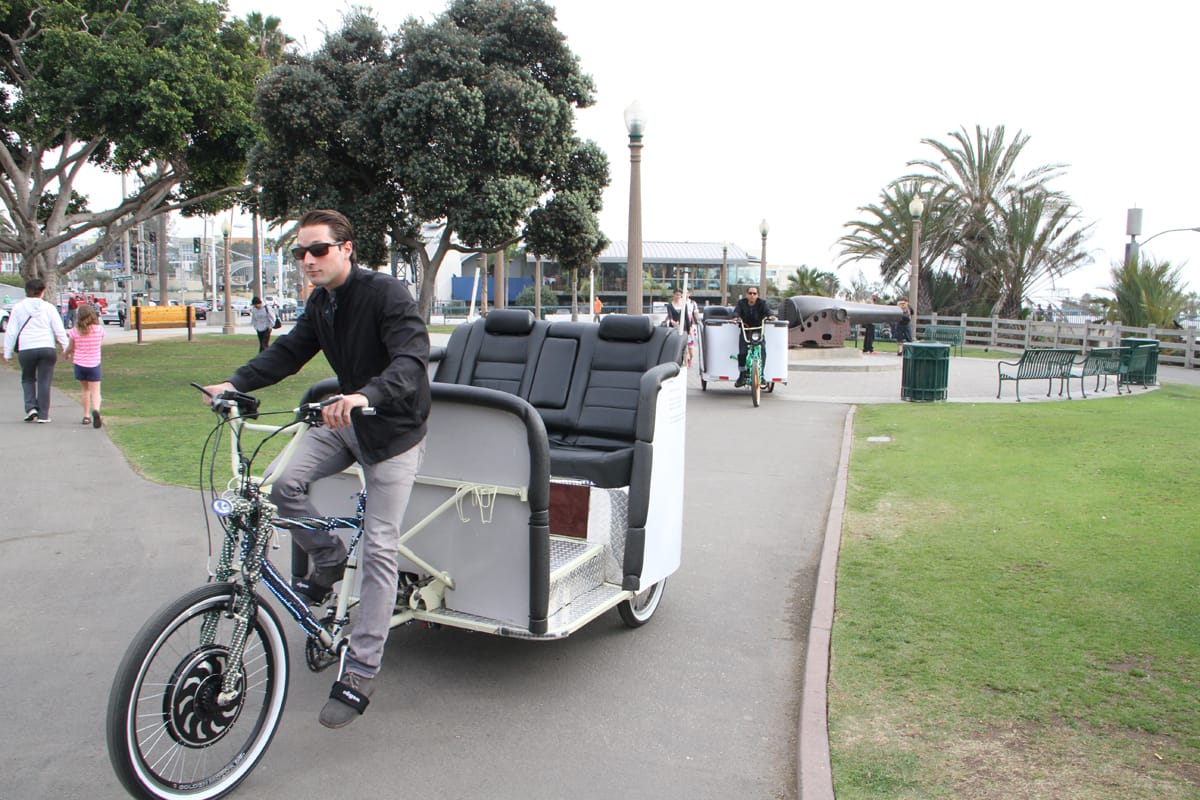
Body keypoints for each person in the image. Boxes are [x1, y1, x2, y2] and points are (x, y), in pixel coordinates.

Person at [202, 209, 430, 730]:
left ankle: (361, 668)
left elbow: (410, 364)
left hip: (393, 432)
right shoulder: (321, 303)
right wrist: (234, 383)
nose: (308, 260)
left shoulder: (386, 294)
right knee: (282, 484)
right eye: (300, 253)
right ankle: (327, 557)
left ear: (347, 247)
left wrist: (363, 395)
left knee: (378, 545)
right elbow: (287, 353)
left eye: (318, 250)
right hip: (345, 421)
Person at [3, 278, 70, 422]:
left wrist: (7, 352)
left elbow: (11, 331)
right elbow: (59, 330)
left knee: (27, 378)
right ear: (43, 291)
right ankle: (43, 414)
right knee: (44, 381)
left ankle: (30, 407)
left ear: (26, 291)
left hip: (26, 348)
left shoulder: (19, 308)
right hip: (46, 346)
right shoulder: (49, 308)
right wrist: (66, 347)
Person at [63, 303, 105, 427]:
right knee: (95, 391)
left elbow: (71, 347)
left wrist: (66, 354)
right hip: (94, 363)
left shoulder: (75, 331)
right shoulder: (99, 330)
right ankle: (96, 409)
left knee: (85, 390)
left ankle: (86, 416)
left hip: (80, 363)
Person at [733, 287, 774, 386]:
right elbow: (736, 312)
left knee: (762, 350)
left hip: (758, 331)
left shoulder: (762, 303)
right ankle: (741, 376)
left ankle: (762, 375)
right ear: (746, 294)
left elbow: (768, 311)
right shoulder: (741, 303)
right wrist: (735, 318)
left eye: (754, 293)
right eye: (750, 293)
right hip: (745, 330)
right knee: (742, 352)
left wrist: (771, 316)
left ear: (757, 295)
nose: (752, 295)